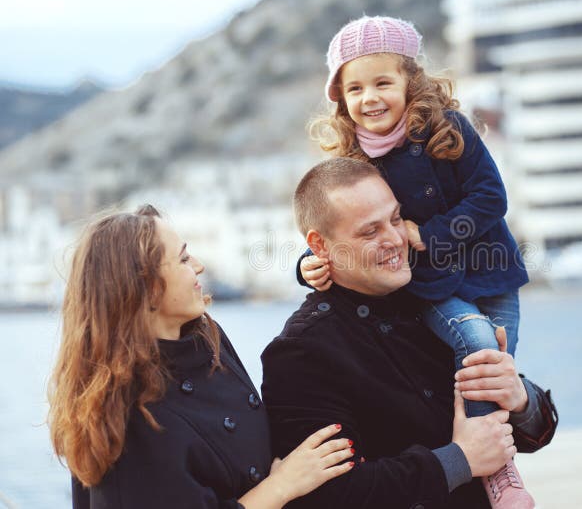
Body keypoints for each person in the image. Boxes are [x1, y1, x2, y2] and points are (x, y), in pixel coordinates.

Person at [299, 15, 532, 507]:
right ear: (341, 98)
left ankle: (493, 460)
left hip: (493, 275)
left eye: (383, 82)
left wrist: (429, 233)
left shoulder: (449, 130)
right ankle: (501, 477)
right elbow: (338, 222)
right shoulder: (356, 159)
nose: (370, 98)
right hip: (434, 287)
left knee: (496, 371)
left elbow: (491, 196)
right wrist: (305, 264)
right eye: (355, 88)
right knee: (479, 345)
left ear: (410, 82)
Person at [262, 158, 557, 509]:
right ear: (320, 246)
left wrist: (518, 397)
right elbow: (329, 496)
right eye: (370, 232)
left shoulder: (438, 309)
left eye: (396, 219)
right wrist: (458, 460)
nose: (395, 239)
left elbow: (530, 433)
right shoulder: (301, 352)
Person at [48, 205, 355, 509]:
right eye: (182, 258)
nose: (198, 266)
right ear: (145, 287)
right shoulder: (128, 419)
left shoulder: (208, 339)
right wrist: (281, 486)